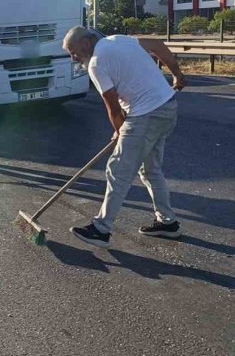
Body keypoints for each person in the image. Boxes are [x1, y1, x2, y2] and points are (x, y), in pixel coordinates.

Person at [62, 26, 187, 248]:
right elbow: (158, 45)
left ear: (86, 43)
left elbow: (112, 107)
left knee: (118, 171)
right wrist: (177, 74)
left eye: (73, 51)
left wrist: (121, 131)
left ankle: (101, 229)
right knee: (150, 169)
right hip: (167, 108)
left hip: (146, 115)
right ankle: (168, 223)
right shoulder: (120, 39)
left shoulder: (96, 62)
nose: (73, 58)